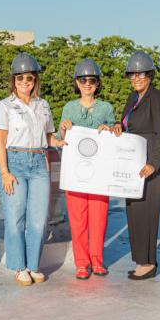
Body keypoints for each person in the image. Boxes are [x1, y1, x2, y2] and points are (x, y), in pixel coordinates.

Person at [0, 53, 66, 286]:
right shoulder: (4, 106)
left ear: (35, 80)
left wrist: (62, 140)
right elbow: (0, 141)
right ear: (13, 80)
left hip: (39, 164)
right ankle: (19, 266)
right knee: (16, 218)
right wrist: (4, 171)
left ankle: (33, 264)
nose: (25, 82)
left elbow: (48, 136)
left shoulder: (42, 105)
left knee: (38, 220)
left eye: (30, 78)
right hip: (14, 162)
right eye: (20, 78)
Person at [105, 50, 160, 280]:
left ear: (149, 75)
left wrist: (154, 163)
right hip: (132, 163)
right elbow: (125, 123)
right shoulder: (132, 98)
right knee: (133, 212)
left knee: (147, 213)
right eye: (132, 75)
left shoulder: (157, 98)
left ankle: (149, 262)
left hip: (148, 164)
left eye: (140, 74)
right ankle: (140, 258)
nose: (136, 79)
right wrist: (117, 126)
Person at [58, 58, 116, 280]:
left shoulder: (106, 108)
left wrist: (108, 129)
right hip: (76, 173)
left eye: (92, 80)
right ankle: (81, 263)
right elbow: (61, 139)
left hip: (99, 173)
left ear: (97, 83)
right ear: (77, 82)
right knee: (78, 219)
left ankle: (97, 261)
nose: (87, 84)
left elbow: (114, 135)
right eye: (83, 80)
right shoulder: (69, 107)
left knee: (99, 219)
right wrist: (64, 130)